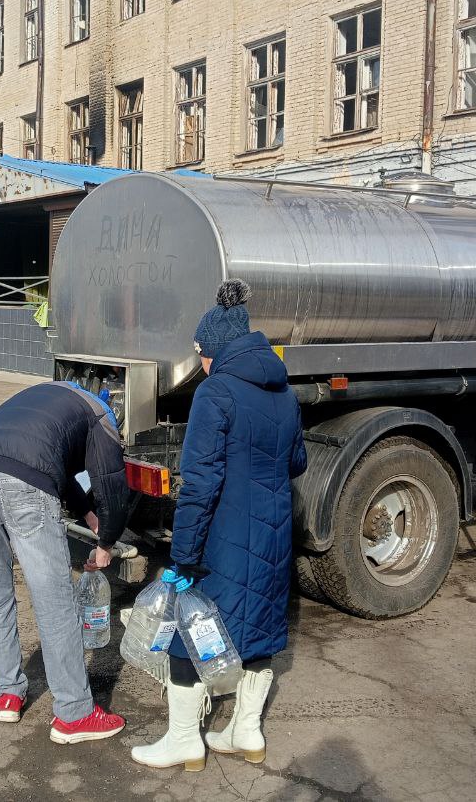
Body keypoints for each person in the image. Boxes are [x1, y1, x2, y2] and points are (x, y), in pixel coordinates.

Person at [131, 279, 307, 772]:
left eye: (204, 353)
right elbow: (297, 462)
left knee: (191, 630)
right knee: (263, 628)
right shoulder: (286, 394)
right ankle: (245, 733)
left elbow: (201, 483)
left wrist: (183, 555)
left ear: (217, 350)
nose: (202, 363)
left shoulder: (216, 393)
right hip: (273, 532)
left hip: (224, 536)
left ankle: (185, 740)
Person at [0, 380, 130, 744]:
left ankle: (7, 693)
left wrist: (88, 516)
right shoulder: (100, 415)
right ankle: (74, 714)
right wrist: (107, 543)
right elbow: (111, 483)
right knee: (55, 605)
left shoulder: (43, 399)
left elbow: (52, 465)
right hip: (23, 490)